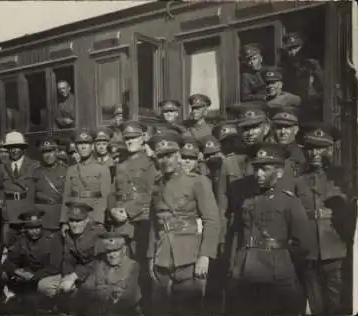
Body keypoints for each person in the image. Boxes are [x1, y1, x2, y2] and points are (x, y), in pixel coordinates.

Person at [227, 143, 310, 315]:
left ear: (279, 172)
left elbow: (302, 244)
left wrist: (283, 261)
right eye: (256, 168)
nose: (259, 174)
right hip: (245, 270)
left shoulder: (289, 202)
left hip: (276, 271)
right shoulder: (248, 200)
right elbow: (238, 234)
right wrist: (235, 266)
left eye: (265, 169)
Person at [147, 131, 220, 316]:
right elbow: (154, 224)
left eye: (170, 155)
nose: (166, 161)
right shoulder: (156, 186)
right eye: (161, 156)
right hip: (162, 257)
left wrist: (205, 255)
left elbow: (212, 220)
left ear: (179, 155)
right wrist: (150, 257)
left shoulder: (197, 182)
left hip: (189, 257)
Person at [294, 122, 350, 315]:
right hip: (309, 248)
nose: (315, 153)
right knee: (315, 302)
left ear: (330, 149)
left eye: (321, 148)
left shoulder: (343, 178)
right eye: (310, 148)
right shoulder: (298, 180)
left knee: (338, 303)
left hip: (335, 246)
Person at [109, 121, 157, 314]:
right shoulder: (120, 165)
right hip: (121, 222)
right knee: (123, 267)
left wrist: (128, 211)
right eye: (127, 139)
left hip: (140, 221)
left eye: (134, 138)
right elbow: (112, 193)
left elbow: (151, 193)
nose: (130, 142)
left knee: (142, 267)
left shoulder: (150, 163)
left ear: (143, 138)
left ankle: (145, 307)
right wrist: (112, 209)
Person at [37, 202, 106, 314]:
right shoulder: (68, 234)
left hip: (95, 274)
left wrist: (75, 276)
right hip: (76, 274)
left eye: (78, 221)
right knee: (43, 285)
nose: (74, 224)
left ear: (86, 220)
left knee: (86, 290)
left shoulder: (98, 233)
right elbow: (68, 259)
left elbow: (99, 261)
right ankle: (65, 307)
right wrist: (67, 277)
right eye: (71, 220)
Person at [2, 209, 62, 312]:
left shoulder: (52, 239)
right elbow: (9, 261)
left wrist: (34, 276)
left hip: (47, 276)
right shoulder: (22, 240)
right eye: (30, 228)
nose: (34, 231)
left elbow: (55, 266)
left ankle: (53, 305)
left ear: (41, 225)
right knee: (4, 274)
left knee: (43, 287)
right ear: (25, 228)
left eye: (37, 227)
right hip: (29, 276)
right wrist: (16, 271)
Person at [59, 129, 112, 230]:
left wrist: (97, 220)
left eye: (86, 144)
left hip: (92, 218)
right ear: (76, 147)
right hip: (74, 218)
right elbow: (66, 197)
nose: (83, 147)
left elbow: (105, 197)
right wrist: (64, 221)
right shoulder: (71, 170)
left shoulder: (102, 169)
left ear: (92, 147)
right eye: (80, 144)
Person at [80, 231, 142, 316]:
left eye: (116, 250)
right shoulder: (99, 264)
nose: (112, 255)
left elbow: (130, 298)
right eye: (108, 251)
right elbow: (86, 288)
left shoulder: (132, 266)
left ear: (124, 249)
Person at [0, 131, 38, 245]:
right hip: (10, 215)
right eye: (11, 147)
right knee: (10, 247)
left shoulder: (35, 165)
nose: (15, 150)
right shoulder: (2, 167)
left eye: (18, 147)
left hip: (27, 213)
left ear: (23, 148)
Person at [280, 32, 324, 120]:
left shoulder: (312, 65)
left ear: (302, 47)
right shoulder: (289, 68)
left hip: (315, 108)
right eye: (289, 49)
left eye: (295, 48)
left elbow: (324, 90)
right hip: (299, 109)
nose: (293, 52)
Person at [33, 137, 68, 232]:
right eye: (45, 152)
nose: (48, 155)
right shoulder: (36, 172)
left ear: (56, 151)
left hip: (60, 215)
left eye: (51, 151)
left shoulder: (65, 170)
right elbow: (32, 194)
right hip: (43, 216)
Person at [270, 106, 306, 177]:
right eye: (279, 127)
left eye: (287, 127)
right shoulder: (268, 154)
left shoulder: (304, 155)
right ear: (273, 130)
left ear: (296, 130)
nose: (283, 132)